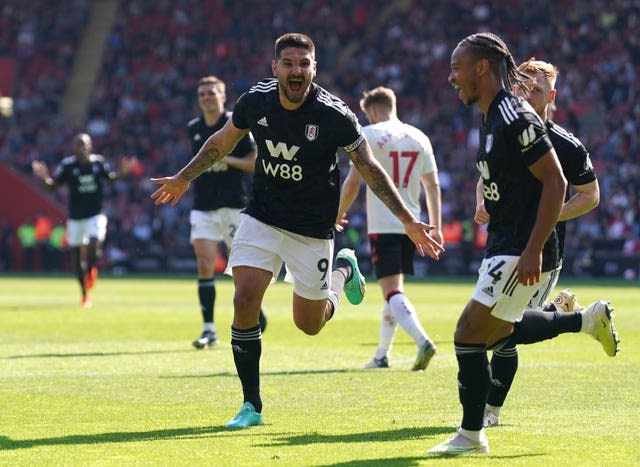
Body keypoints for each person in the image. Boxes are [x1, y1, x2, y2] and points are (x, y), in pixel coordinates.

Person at [150, 32, 444, 430]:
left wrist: (408, 218)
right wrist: (185, 178)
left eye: (304, 64)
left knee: (310, 324)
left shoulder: (335, 114)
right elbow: (222, 141)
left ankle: (342, 270)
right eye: (288, 63)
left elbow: (369, 167)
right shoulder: (256, 100)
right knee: (244, 298)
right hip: (262, 216)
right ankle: (251, 405)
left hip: (311, 228)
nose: (296, 71)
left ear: (313, 69)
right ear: (275, 67)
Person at [427, 32, 568, 455]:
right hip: (503, 243)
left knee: (469, 333)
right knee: (492, 334)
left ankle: (471, 435)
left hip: (517, 249)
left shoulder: (514, 116)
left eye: (457, 68)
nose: (451, 78)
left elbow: (556, 181)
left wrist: (533, 248)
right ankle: (578, 320)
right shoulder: (492, 116)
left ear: (481, 68)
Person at [479, 58, 619, 428]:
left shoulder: (565, 144)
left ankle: (582, 319)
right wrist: (482, 201)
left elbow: (590, 195)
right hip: (502, 242)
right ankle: (489, 412)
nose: (525, 94)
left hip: (542, 252)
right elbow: (485, 173)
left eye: (535, 89)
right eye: (520, 86)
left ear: (551, 96)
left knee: (499, 330)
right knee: (499, 331)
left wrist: (547, 216)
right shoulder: (501, 126)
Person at [337, 86, 442, 371]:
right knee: (395, 289)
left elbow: (352, 183)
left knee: (391, 292)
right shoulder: (420, 137)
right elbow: (432, 186)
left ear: (371, 110)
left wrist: (339, 212)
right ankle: (382, 355)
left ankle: (422, 341)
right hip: (414, 225)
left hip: (384, 223)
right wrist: (437, 227)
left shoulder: (368, 135)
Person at [186, 75, 267, 349]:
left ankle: (254, 311)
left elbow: (254, 162)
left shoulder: (237, 123)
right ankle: (208, 329)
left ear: (223, 97)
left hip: (234, 205)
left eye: (212, 93)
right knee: (204, 264)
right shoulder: (194, 128)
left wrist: (223, 158)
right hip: (203, 206)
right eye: (203, 94)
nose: (207, 97)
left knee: (240, 270)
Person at [32, 133, 138, 308]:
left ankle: (91, 268)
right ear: (73, 148)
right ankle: (84, 294)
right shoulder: (68, 165)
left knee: (94, 243)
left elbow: (110, 180)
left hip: (95, 214)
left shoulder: (98, 163)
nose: (81, 148)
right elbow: (52, 187)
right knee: (75, 259)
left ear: (90, 146)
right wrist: (44, 178)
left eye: (84, 144)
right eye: (78, 144)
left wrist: (122, 173)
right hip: (75, 218)